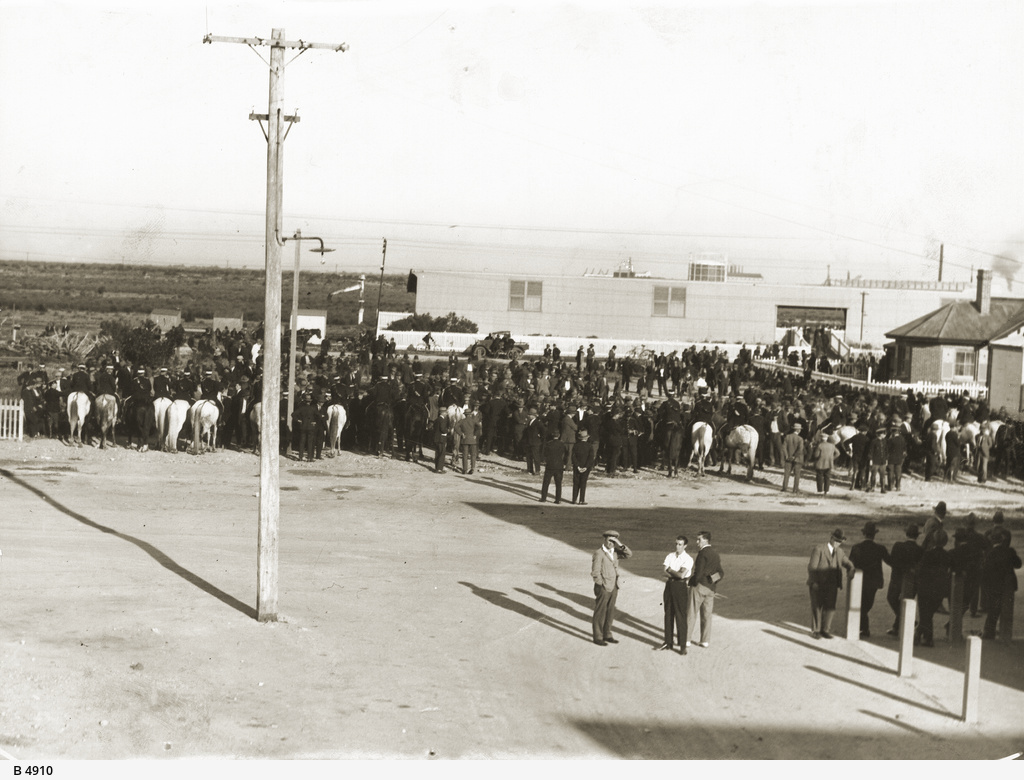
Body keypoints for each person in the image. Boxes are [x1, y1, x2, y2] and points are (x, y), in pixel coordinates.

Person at [807, 528, 855, 639]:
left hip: (832, 585)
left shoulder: (840, 552)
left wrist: (851, 568)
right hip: (818, 584)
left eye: (840, 541)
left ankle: (825, 630)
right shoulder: (819, 549)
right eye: (836, 540)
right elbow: (812, 567)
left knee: (830, 608)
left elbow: (847, 562)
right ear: (831, 538)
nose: (838, 543)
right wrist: (813, 582)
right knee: (817, 607)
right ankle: (816, 630)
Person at [848, 521, 892, 638]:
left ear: (864, 534)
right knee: (867, 604)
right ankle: (864, 628)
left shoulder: (856, 548)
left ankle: (863, 628)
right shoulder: (880, 548)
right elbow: (890, 561)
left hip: (859, 581)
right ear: (874, 535)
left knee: (861, 604)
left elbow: (850, 564)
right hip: (873, 582)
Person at [591, 530, 632, 646]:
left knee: (610, 611)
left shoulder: (615, 552)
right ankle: (598, 637)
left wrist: (619, 544)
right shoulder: (599, 553)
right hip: (604, 586)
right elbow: (595, 572)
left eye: (613, 541)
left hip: (614, 585)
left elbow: (629, 554)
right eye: (609, 540)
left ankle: (607, 634)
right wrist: (601, 584)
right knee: (600, 612)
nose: (611, 543)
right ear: (604, 539)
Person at [981, 527, 1021, 641]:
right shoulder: (1010, 551)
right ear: (1002, 540)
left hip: (995, 586)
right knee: (1007, 610)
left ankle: (989, 632)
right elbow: (1018, 564)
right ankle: (1005, 633)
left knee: (993, 611)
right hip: (1009, 585)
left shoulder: (990, 554)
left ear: (992, 541)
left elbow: (985, 573)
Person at [656, 535, 693, 655]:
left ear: (685, 546)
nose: (677, 546)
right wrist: (674, 572)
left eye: (680, 544)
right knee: (668, 613)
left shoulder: (688, 559)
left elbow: (681, 575)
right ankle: (668, 642)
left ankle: (682, 646)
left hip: (680, 587)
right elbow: (664, 571)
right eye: (676, 544)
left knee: (680, 616)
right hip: (669, 586)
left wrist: (670, 570)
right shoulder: (670, 556)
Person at [686, 531, 723, 648]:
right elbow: (721, 573)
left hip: (699, 587)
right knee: (707, 615)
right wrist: (712, 580)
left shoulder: (702, 553)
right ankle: (705, 641)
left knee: (691, 613)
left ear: (705, 540)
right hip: (711, 589)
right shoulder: (715, 554)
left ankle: (686, 639)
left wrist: (692, 582)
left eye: (699, 540)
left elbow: (698, 573)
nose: (697, 542)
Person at [916, 530, 952, 647]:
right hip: (939, 589)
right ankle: (921, 635)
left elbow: (920, 570)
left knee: (924, 613)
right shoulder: (947, 555)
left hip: (926, 587)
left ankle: (926, 637)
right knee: (929, 613)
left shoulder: (927, 554)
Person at [886, 523, 923, 636]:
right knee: (907, 602)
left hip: (897, 578)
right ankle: (901, 624)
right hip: (912, 580)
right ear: (916, 536)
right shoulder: (919, 550)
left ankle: (899, 626)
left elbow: (892, 561)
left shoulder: (898, 546)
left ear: (906, 534)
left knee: (892, 598)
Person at [540, 430, 568, 504]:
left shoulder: (548, 444)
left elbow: (545, 454)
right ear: (559, 436)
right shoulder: (562, 444)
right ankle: (558, 499)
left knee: (546, 482)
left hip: (550, 465)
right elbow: (566, 455)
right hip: (559, 465)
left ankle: (543, 498)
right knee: (558, 483)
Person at [571, 429, 596, 505]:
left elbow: (573, 457)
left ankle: (574, 499)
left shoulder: (576, 445)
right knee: (583, 483)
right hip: (585, 466)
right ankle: (581, 500)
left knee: (576, 483)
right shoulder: (589, 446)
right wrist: (586, 467)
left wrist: (577, 466)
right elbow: (591, 458)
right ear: (587, 437)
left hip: (577, 466)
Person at [781, 421, 805, 493]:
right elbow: (800, 449)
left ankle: (784, 488)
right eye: (800, 429)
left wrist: (787, 456)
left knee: (787, 473)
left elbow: (783, 447)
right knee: (797, 474)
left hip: (788, 458)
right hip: (797, 459)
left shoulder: (787, 437)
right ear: (798, 430)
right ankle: (795, 489)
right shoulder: (800, 439)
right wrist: (794, 456)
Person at [811, 430, 837, 495]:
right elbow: (838, 453)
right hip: (829, 463)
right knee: (827, 477)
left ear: (821, 438)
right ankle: (827, 491)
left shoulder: (820, 445)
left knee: (819, 477)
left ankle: (820, 490)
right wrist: (832, 458)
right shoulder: (832, 445)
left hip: (820, 463)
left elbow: (816, 455)